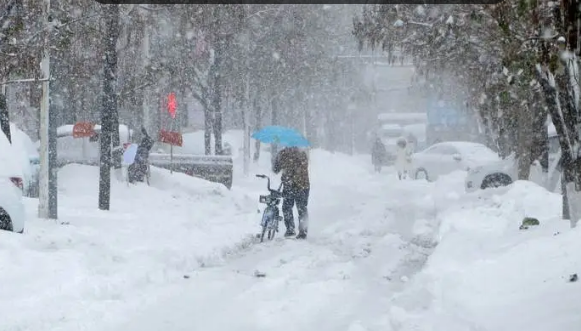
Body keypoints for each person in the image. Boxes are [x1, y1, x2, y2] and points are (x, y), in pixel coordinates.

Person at [273, 146, 310, 239]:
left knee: (288, 208)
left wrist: (281, 161)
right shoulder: (301, 154)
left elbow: (275, 169)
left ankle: (291, 229)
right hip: (301, 186)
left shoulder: (284, 154)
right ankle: (301, 231)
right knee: (300, 209)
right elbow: (276, 169)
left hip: (295, 186)